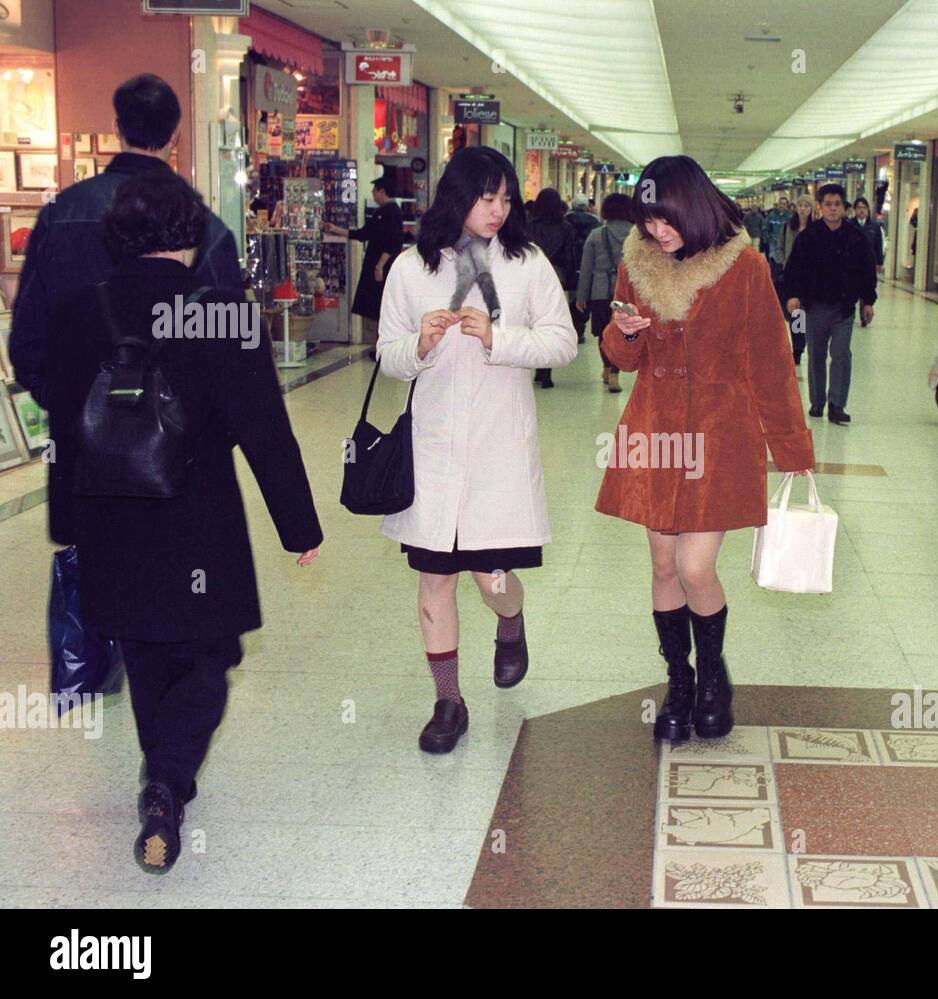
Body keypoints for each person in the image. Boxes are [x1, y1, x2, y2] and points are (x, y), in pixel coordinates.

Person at [38, 171, 322, 873]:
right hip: (196, 512)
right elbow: (264, 428)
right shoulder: (220, 310)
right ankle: (164, 780)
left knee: (142, 647)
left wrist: (64, 522)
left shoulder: (79, 310)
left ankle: (162, 775)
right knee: (210, 651)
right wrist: (300, 527)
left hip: (108, 511)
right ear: (191, 236)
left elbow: (65, 430)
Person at [594, 155, 814, 744]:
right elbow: (618, 357)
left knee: (696, 566)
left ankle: (713, 676)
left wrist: (791, 446)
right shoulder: (636, 265)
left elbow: (772, 361)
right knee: (663, 564)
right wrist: (623, 334)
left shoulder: (743, 268)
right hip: (656, 430)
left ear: (692, 205)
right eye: (648, 222)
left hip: (719, 434)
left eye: (665, 220)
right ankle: (679, 680)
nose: (657, 233)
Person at [377, 146, 577, 755]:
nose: (498, 210)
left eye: (506, 198)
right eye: (486, 197)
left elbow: (563, 343)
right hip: (434, 451)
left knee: (493, 579)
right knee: (435, 579)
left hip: (498, 451)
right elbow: (386, 355)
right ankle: (448, 701)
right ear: (456, 196)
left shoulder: (528, 263)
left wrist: (502, 337)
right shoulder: (412, 268)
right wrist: (420, 343)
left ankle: (510, 623)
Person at [10, 72, 241, 409]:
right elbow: (230, 341)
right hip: (177, 434)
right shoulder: (204, 223)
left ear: (117, 128)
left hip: (78, 423)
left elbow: (29, 332)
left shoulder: (60, 214)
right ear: (175, 135)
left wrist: (59, 398)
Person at [782, 183, 877, 425]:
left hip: (844, 307)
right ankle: (817, 401)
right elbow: (794, 269)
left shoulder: (857, 238)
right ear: (820, 207)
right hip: (815, 306)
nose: (833, 209)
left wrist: (868, 301)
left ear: (844, 208)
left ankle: (837, 404)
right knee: (816, 354)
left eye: (837, 205)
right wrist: (793, 295)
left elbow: (867, 272)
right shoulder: (808, 238)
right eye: (828, 205)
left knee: (841, 353)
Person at [325, 175, 405, 345]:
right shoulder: (382, 211)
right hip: (376, 264)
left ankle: (382, 344)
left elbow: (393, 241)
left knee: (380, 305)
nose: (372, 194)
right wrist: (335, 230)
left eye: (374, 190)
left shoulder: (391, 212)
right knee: (375, 306)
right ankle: (378, 344)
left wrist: (380, 265)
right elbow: (363, 234)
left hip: (381, 266)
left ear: (381, 191)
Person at [575, 192, 635, 393]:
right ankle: (615, 375)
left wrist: (582, 295)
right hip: (626, 293)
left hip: (600, 291)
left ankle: (607, 367)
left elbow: (586, 268)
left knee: (603, 333)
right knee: (621, 331)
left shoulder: (596, 235)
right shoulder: (637, 236)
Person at [526, 187, 578, 388]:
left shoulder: (528, 225)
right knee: (550, 322)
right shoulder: (565, 227)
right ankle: (545, 371)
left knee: (532, 319)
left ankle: (539, 367)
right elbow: (571, 256)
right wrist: (572, 282)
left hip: (531, 273)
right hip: (557, 274)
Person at [774, 195, 814, 365]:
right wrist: (783, 262)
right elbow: (779, 247)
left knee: (806, 313)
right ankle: (798, 346)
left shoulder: (816, 229)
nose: (803, 208)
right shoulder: (787, 227)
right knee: (796, 312)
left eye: (806, 205)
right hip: (791, 276)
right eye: (800, 205)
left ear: (812, 209)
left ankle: (802, 345)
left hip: (811, 277)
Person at [565, 196, 601, 343]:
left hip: (569, 266)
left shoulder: (565, 221)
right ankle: (579, 328)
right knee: (585, 297)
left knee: (571, 298)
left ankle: (570, 327)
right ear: (586, 206)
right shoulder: (595, 223)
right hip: (589, 266)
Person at [851, 196, 885, 275]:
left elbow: (878, 245)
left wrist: (880, 262)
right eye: (859, 207)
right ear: (855, 210)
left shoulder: (875, 226)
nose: (862, 210)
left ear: (868, 210)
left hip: (869, 263)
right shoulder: (848, 225)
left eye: (864, 207)